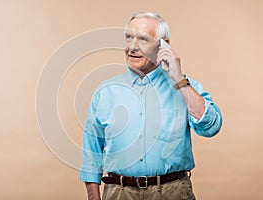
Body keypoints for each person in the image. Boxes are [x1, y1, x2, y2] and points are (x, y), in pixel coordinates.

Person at [79, 12, 222, 200]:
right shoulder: (105, 92)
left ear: (164, 46)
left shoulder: (184, 87)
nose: (132, 47)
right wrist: (93, 197)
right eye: (128, 37)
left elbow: (211, 127)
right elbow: (92, 152)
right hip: (118, 193)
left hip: (172, 192)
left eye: (142, 39)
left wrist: (179, 79)